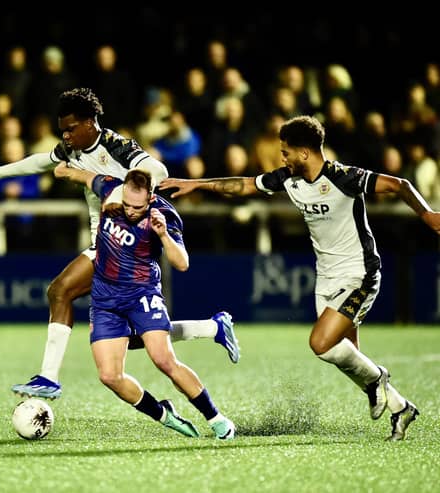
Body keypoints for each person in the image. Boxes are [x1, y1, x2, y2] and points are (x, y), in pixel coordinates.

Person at [159, 115, 440, 441]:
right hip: (326, 278)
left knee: (321, 344)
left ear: (304, 153)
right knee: (346, 354)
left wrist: (427, 215)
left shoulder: (343, 177)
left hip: (359, 274)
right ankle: (401, 407)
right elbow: (246, 184)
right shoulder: (288, 179)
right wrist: (197, 184)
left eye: (286, 152)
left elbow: (399, 185)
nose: (282, 157)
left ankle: (379, 380)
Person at [0, 88, 240, 400]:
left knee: (60, 291)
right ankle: (212, 328)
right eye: (63, 131)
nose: (66, 136)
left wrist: (118, 194)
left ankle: (48, 378)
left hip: (127, 243)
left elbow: (158, 170)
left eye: (71, 129)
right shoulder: (72, 148)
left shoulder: (115, 144)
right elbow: (43, 161)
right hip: (106, 240)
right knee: (136, 337)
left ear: (90, 123)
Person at [53, 163, 236, 439]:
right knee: (109, 376)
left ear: (150, 198)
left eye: (137, 208)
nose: (130, 211)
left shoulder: (163, 216)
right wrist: (63, 169)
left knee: (163, 360)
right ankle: (164, 414)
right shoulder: (112, 191)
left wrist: (162, 235)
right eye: (126, 204)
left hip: (141, 295)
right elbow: (81, 175)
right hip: (105, 299)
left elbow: (182, 263)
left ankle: (217, 419)